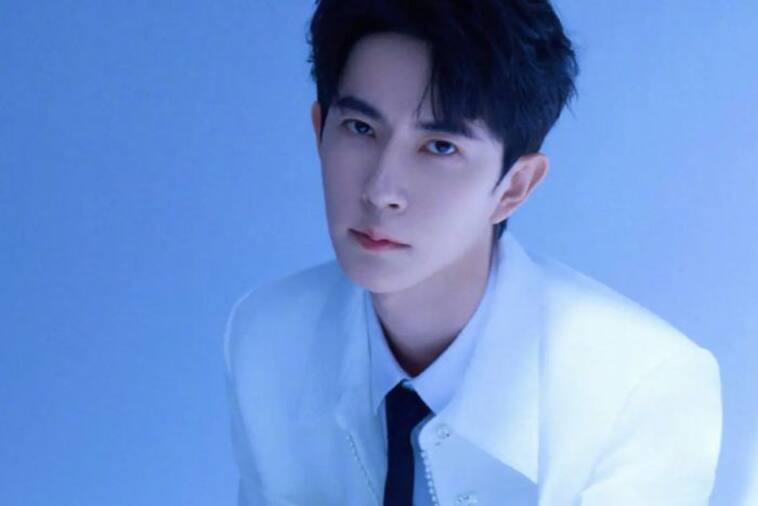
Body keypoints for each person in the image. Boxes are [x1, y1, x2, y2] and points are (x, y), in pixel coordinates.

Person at [223, 1, 722, 504]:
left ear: (514, 187)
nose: (380, 190)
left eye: (441, 146)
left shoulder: (643, 390)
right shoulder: (269, 336)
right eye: (360, 128)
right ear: (319, 131)